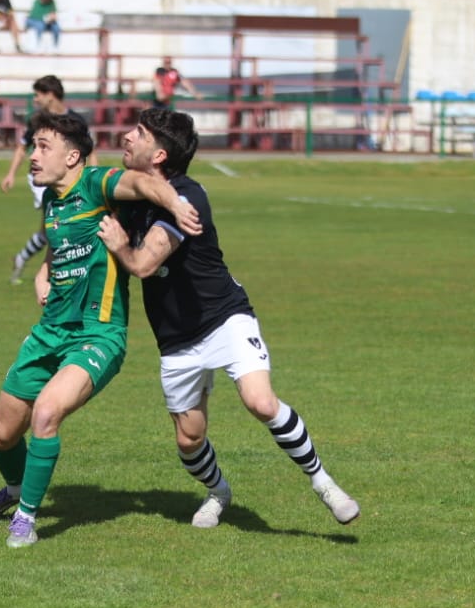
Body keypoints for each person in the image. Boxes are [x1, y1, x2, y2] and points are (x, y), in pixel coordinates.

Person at [96, 107, 361, 530]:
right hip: (176, 337)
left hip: (224, 316)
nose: (126, 137)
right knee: (189, 439)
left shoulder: (188, 198)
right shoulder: (132, 198)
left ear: (160, 154)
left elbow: (144, 265)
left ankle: (324, 483)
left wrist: (120, 246)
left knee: (260, 402)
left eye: (139, 133)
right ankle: (218, 492)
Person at [0, 110, 203, 548]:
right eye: (34, 146)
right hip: (49, 331)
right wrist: (44, 276)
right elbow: (58, 249)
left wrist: (175, 203)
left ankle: (25, 518)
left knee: (45, 414)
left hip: (98, 335)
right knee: (0, 436)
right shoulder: (53, 203)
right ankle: (18, 488)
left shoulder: (98, 184)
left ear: (73, 155)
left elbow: (143, 183)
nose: (33, 157)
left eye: (44, 147)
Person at [0, 75, 81, 284]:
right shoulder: (38, 121)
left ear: (50, 95)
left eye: (38, 95)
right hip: (41, 178)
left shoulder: (75, 121)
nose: (35, 99)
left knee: (50, 230)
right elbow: (22, 147)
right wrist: (10, 174)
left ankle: (23, 258)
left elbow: (89, 150)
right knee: (59, 223)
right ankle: (60, 273)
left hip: (68, 176)